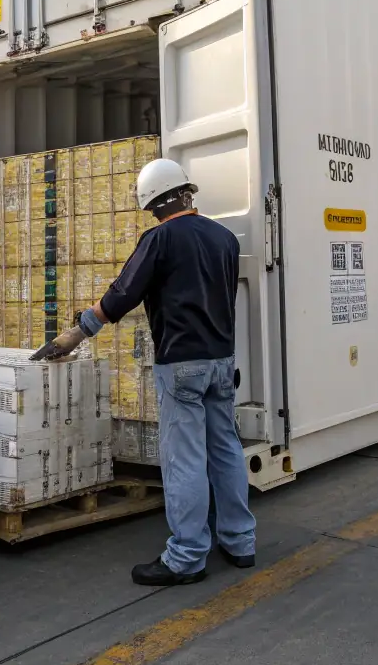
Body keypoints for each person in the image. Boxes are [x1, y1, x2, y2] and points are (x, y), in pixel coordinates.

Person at [32, 158, 255, 585]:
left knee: (184, 459)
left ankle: (187, 556)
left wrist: (76, 334)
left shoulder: (160, 239)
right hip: (222, 362)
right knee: (225, 449)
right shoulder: (224, 238)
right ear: (187, 193)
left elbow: (121, 295)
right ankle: (240, 541)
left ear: (154, 205)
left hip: (182, 365)